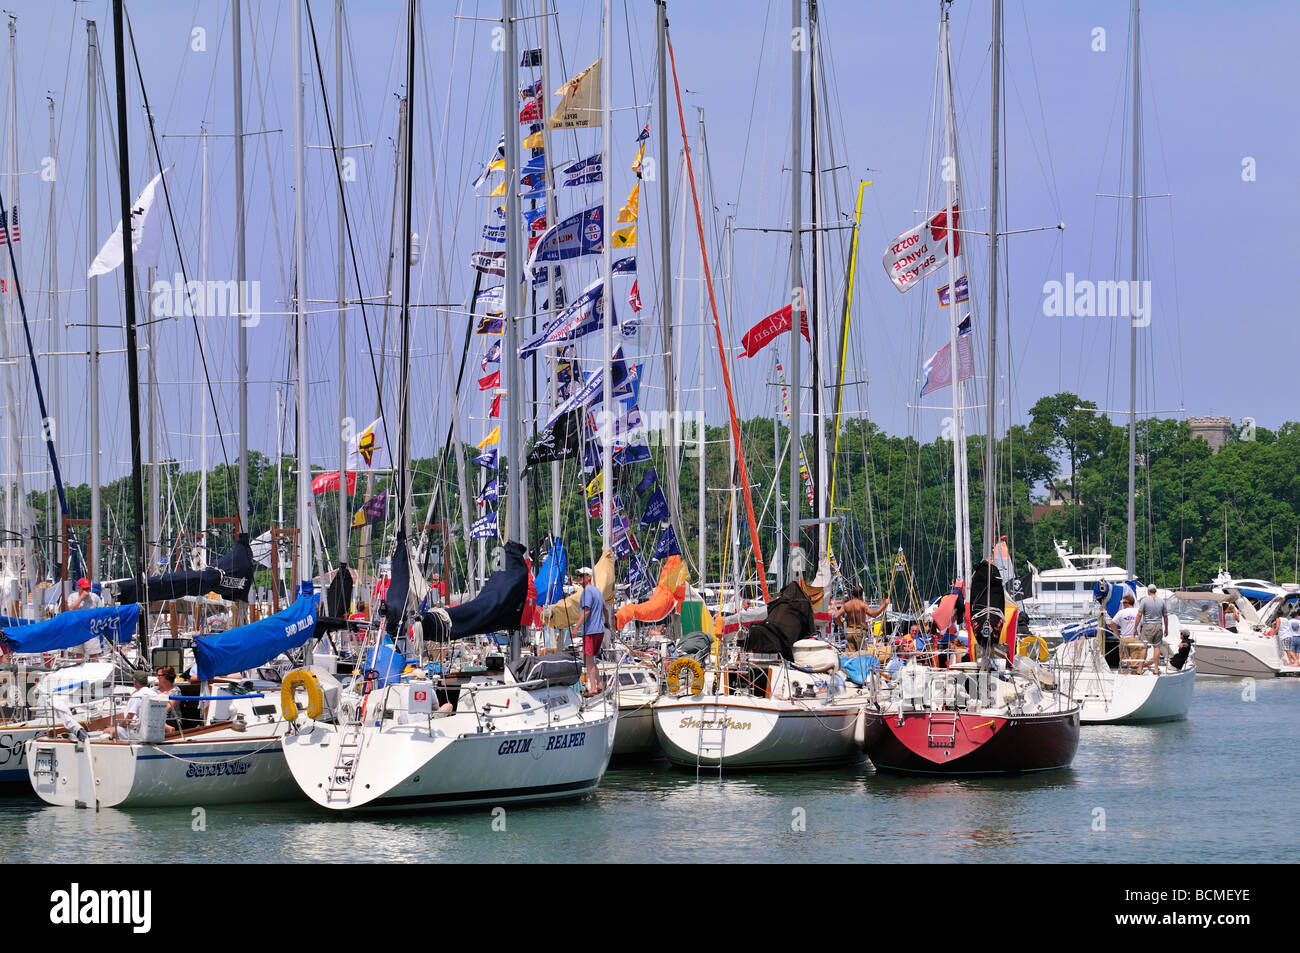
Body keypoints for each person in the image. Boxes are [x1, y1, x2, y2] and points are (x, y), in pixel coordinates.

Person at [570, 567, 606, 696]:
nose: (579, 578)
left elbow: (586, 611)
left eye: (582, 575)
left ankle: (593, 689)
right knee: (591, 658)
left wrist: (575, 628)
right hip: (599, 630)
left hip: (590, 631)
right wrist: (606, 622)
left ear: (589, 577)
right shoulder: (597, 591)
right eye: (578, 576)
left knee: (588, 660)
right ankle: (599, 684)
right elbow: (605, 609)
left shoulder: (587, 592)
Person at [833, 587, 889, 653]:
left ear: (852, 594)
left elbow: (836, 616)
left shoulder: (846, 605)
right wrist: (884, 605)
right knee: (862, 654)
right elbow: (874, 614)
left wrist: (842, 625)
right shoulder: (863, 605)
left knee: (851, 654)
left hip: (849, 631)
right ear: (861, 594)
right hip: (860, 631)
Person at [111, 671, 157, 741]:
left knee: (108, 731)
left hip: (138, 732)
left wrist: (121, 725)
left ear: (135, 682)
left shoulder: (137, 695)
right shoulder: (154, 694)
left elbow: (129, 718)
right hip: (153, 730)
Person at [1136, 583, 1167, 673]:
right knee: (1157, 647)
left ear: (1148, 591)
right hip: (1158, 626)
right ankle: (1156, 669)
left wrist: (1135, 627)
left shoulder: (1144, 601)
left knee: (1144, 647)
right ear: (1155, 591)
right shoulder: (1162, 601)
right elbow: (1165, 616)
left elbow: (1139, 614)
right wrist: (1167, 628)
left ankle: (1140, 668)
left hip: (1148, 626)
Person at [1109, 593, 1145, 670]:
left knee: (1123, 664)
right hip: (1135, 639)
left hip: (1124, 639)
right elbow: (1143, 625)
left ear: (1126, 603)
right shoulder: (1139, 612)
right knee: (1135, 663)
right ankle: (1134, 675)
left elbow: (1111, 623)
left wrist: (1117, 634)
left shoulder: (1121, 612)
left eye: (1123, 603)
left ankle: (1123, 675)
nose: (1123, 605)